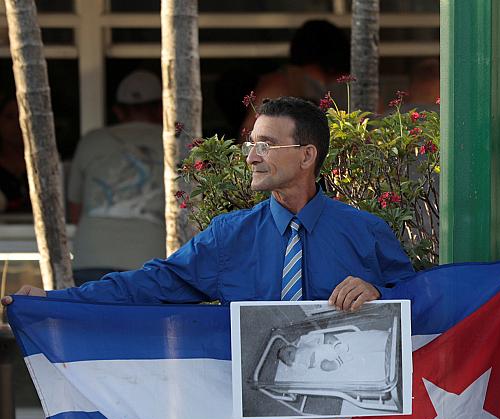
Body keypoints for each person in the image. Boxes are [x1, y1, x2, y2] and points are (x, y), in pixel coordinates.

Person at [4, 96, 413, 309]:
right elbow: (151, 284)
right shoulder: (228, 237)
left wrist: (380, 291)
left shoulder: (365, 232)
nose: (251, 156)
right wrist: (55, 300)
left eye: (266, 145)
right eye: (252, 144)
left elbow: (423, 301)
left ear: (307, 156)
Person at [66, 69, 168, 281]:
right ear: (161, 109)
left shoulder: (92, 141)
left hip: (90, 258)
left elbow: (75, 212)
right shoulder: (176, 144)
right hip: (151, 260)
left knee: (90, 315)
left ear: (118, 111)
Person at [242, 20, 350, 133]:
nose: (324, 88)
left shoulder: (282, 81)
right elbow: (250, 134)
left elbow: (249, 134)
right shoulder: (281, 84)